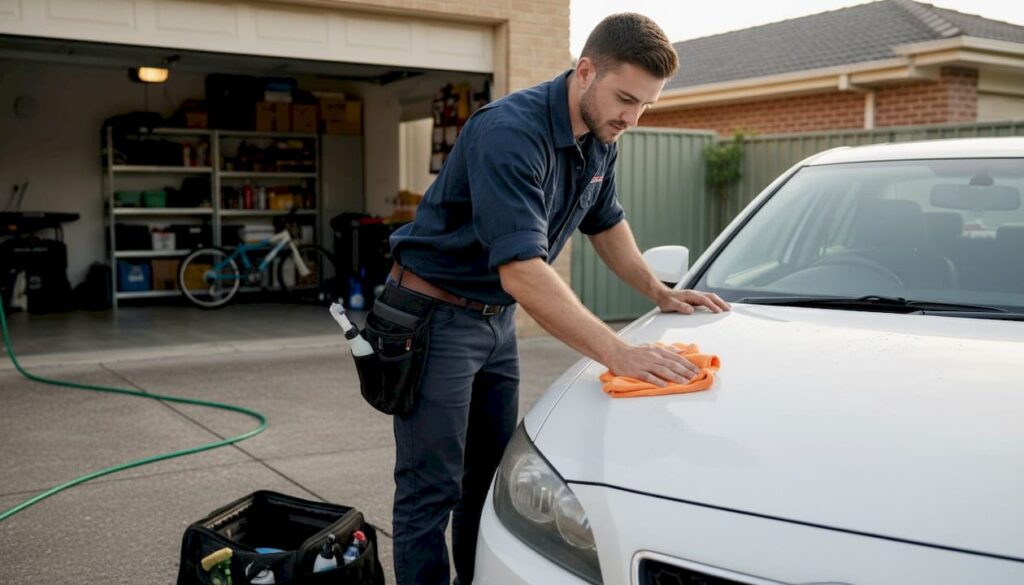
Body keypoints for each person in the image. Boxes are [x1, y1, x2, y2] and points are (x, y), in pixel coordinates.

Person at [381, 12, 730, 585]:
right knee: (430, 488)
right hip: (432, 318)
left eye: (645, 105)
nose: (632, 118)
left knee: (488, 480)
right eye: (624, 98)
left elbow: (606, 221)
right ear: (585, 71)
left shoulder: (600, 137)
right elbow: (523, 271)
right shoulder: (510, 133)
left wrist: (658, 293)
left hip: (494, 322)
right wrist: (620, 354)